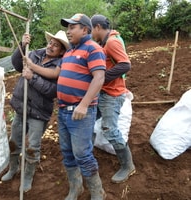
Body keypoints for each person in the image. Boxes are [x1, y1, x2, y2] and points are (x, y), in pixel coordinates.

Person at [0, 30, 69, 193]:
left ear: (61, 51)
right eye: (51, 42)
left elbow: (53, 91)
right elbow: (17, 64)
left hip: (39, 112)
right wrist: (22, 46)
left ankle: (28, 176)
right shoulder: (35, 54)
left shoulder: (60, 65)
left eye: (56, 45)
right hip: (21, 106)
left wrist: (33, 77)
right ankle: (13, 168)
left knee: (32, 146)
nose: (51, 46)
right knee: (14, 141)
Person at [58, 13, 107, 200]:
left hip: (80, 113)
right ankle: (76, 188)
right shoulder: (69, 52)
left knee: (82, 154)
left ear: (85, 29)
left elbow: (99, 77)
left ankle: (97, 192)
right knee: (67, 152)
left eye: (72, 27)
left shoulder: (93, 48)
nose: (68, 31)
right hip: (63, 111)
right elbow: (61, 75)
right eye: (67, 27)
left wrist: (84, 105)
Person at [90, 14, 136, 183]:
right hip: (103, 92)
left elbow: (125, 64)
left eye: (91, 29)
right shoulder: (105, 42)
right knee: (89, 121)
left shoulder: (112, 42)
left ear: (97, 27)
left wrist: (102, 78)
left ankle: (128, 165)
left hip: (112, 94)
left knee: (109, 128)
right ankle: (87, 155)